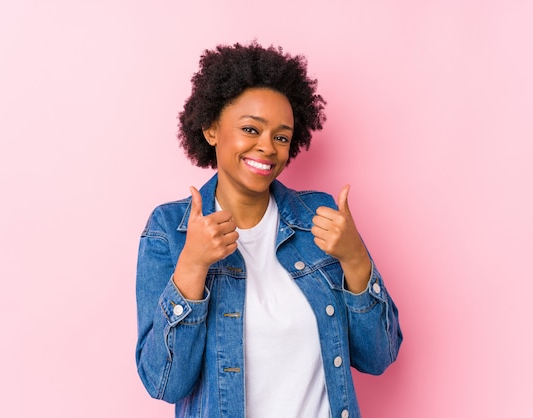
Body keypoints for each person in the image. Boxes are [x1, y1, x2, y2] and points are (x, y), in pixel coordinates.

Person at [135, 41, 402, 418]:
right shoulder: (170, 231)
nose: (267, 148)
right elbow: (164, 382)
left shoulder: (321, 220)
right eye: (250, 129)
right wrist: (192, 267)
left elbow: (379, 357)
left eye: (281, 136)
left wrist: (356, 259)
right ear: (211, 129)